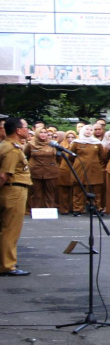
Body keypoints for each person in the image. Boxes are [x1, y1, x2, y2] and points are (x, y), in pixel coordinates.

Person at [0, 116, 32, 276]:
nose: (28, 130)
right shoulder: (12, 148)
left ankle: (5, 261)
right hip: (14, 190)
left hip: (13, 190)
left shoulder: (8, 146)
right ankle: (7, 265)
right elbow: (4, 175)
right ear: (18, 130)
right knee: (10, 230)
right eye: (26, 127)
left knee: (6, 228)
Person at [23, 126, 59, 210]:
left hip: (51, 171)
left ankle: (49, 210)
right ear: (36, 133)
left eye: (45, 132)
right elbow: (26, 155)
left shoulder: (53, 144)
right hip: (35, 171)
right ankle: (35, 210)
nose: (43, 134)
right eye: (41, 132)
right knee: (36, 192)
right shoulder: (31, 144)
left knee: (50, 192)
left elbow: (58, 158)